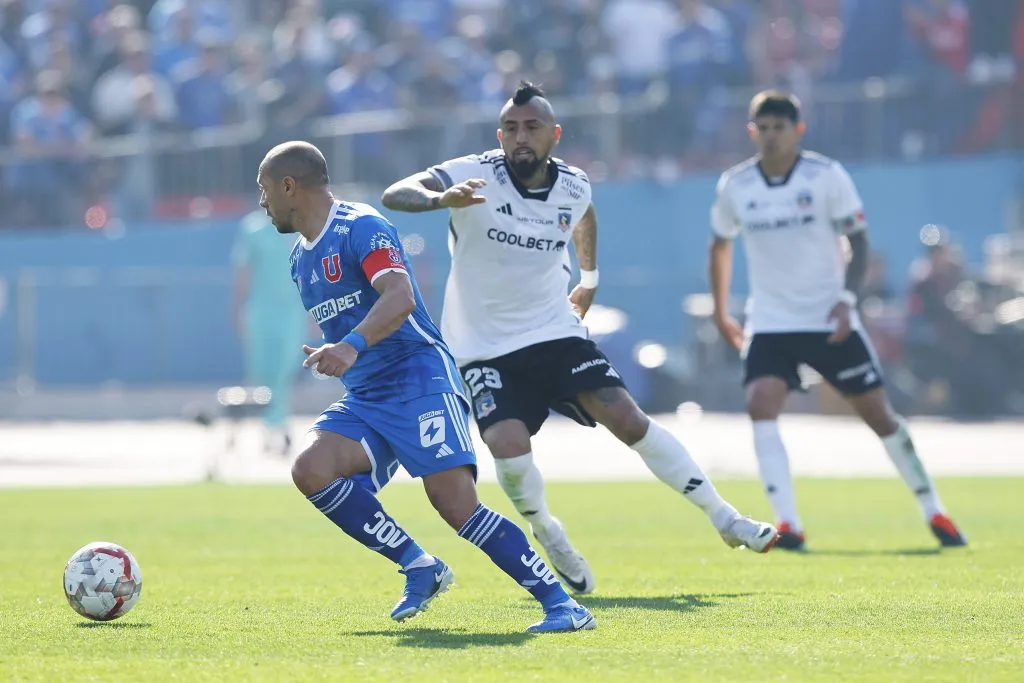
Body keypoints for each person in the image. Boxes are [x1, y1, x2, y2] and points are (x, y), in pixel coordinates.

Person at [381, 81, 778, 596]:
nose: (520, 137)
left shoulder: (573, 185)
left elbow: (584, 216)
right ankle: (547, 529)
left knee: (626, 414)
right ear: (499, 135)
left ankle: (726, 519)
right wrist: (440, 198)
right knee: (506, 445)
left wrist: (588, 280)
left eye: (532, 127)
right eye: (511, 128)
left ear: (555, 134)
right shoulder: (474, 172)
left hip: (552, 330)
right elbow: (396, 193)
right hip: (483, 345)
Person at [256, 141, 596, 633]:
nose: (262, 202)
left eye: (264, 189)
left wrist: (349, 346)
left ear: (288, 185)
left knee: (456, 506)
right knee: (312, 468)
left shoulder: (360, 227)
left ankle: (565, 607)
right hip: (367, 395)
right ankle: (419, 565)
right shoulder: (298, 259)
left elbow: (400, 298)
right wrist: (337, 353)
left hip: (418, 378)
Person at [707, 90, 968, 551]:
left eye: (779, 128)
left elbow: (859, 241)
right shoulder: (736, 185)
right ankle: (789, 524)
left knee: (878, 415)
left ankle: (935, 509)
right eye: (762, 129)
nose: (770, 137)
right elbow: (721, 245)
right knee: (759, 404)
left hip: (828, 318)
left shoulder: (826, 176)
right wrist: (721, 308)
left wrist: (848, 299)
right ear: (752, 132)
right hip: (770, 321)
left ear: (797, 130)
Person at [231, 209, 309, 455]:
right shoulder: (253, 227)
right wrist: (238, 308)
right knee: (261, 371)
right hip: (261, 313)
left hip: (291, 313)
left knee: (284, 370)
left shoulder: (299, 225)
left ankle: (279, 424)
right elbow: (244, 270)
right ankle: (269, 427)